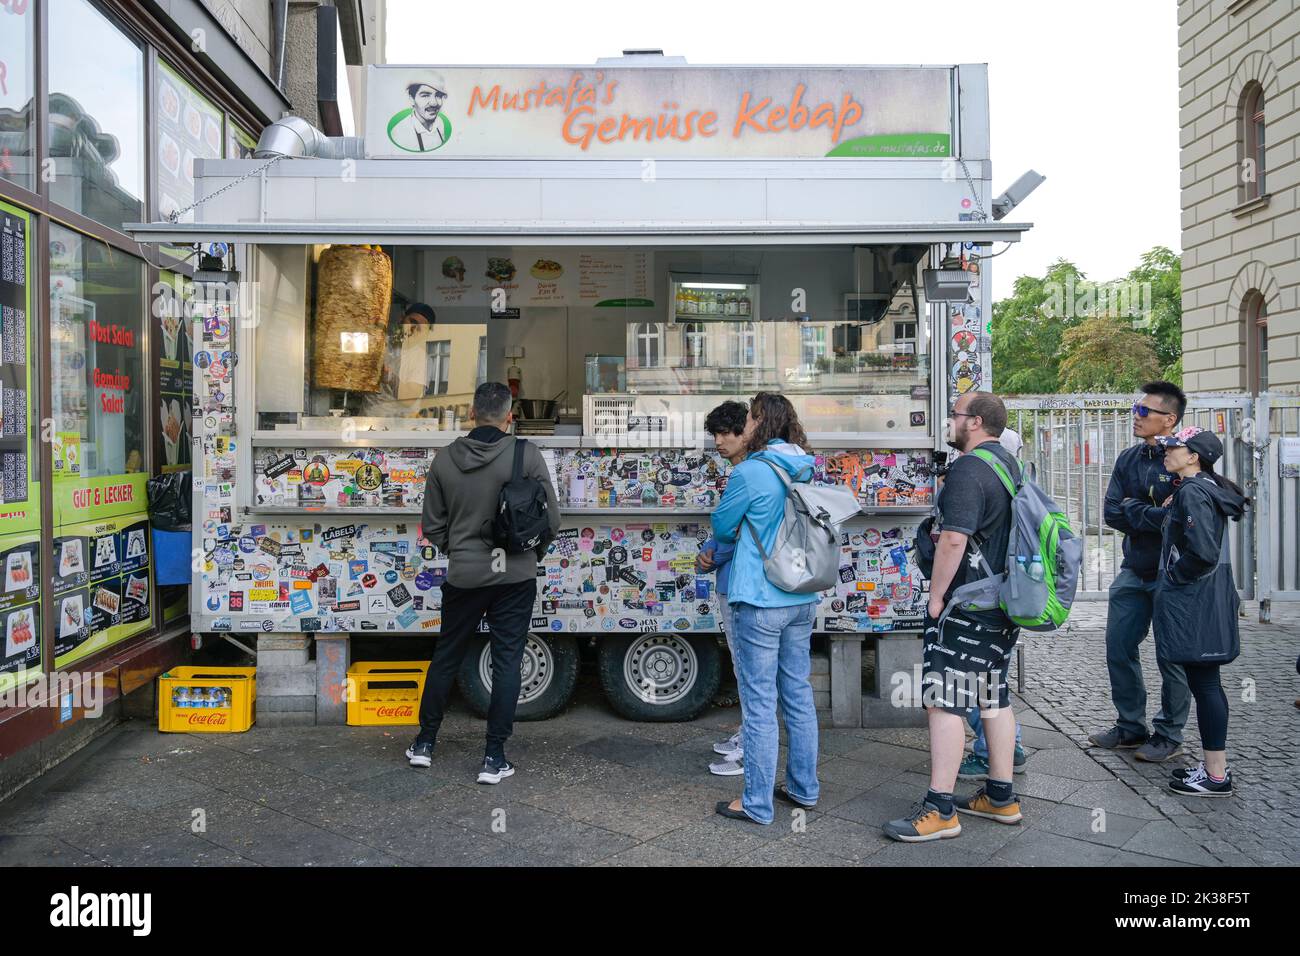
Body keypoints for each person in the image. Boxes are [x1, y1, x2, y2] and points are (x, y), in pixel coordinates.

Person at [885, 392, 1023, 843]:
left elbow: (953, 541)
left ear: (975, 422)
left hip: (967, 603)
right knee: (992, 695)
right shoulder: (1007, 463)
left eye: (956, 415)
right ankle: (1000, 796)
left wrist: (936, 598)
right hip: (1001, 601)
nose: (950, 421)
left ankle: (940, 808)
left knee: (943, 702)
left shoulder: (969, 468)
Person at [408, 381, 561, 783]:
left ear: (471, 414)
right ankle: (494, 757)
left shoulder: (443, 460)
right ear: (510, 416)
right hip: (515, 576)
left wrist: (459, 551)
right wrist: (530, 555)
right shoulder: (526, 455)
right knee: (507, 660)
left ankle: (424, 743)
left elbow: (432, 526)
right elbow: (552, 521)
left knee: (447, 655)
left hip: (465, 575)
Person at [709, 393, 820, 824]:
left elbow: (722, 526)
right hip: (801, 594)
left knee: (758, 703)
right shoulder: (806, 465)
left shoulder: (752, 472)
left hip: (759, 596)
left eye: (751, 418)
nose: (747, 425)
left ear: (761, 423)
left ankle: (756, 802)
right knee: (798, 694)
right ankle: (803, 788)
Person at [1089, 382, 1191, 763]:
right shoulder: (1128, 459)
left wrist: (1139, 511)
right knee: (1118, 645)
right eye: (1136, 408)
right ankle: (1131, 726)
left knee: (1172, 656)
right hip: (1133, 569)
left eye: (1144, 411)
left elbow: (1181, 518)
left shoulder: (1187, 459)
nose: (1136, 415)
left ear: (1169, 419)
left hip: (1174, 573)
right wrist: (1154, 514)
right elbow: (1112, 512)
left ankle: (1169, 734)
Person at [1154, 427, 1246, 797]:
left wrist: (1173, 579)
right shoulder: (1200, 488)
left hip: (1195, 599)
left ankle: (1217, 776)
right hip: (1207, 597)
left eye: (1173, 447)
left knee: (1206, 685)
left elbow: (1203, 552)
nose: (1166, 452)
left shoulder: (1193, 491)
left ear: (1193, 456)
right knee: (1205, 683)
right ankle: (1213, 768)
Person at [959, 425, 1027, 780]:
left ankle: (994, 752)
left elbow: (956, 539)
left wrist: (938, 597)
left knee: (971, 684)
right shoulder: (1013, 473)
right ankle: (1001, 767)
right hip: (1005, 590)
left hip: (979, 595)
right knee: (991, 682)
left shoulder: (977, 471)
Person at [696, 400, 749, 776]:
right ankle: (748, 734)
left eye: (725, 433)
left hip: (738, 582)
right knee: (746, 664)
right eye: (715, 433)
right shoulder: (750, 471)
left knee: (747, 666)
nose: (719, 440)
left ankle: (749, 747)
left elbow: (731, 530)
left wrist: (711, 553)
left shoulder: (747, 474)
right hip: (739, 580)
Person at [390, 77, 449, 152]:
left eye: (438, 96)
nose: (434, 103)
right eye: (425, 95)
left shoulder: (440, 123)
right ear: (412, 99)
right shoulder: (399, 134)